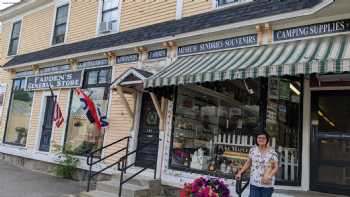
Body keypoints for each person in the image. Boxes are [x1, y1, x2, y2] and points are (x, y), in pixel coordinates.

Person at [235, 131, 279, 197]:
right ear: (256, 139)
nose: (261, 139)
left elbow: (275, 167)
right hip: (254, 182)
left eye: (263, 138)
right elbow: (248, 163)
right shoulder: (253, 150)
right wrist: (240, 172)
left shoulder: (272, 152)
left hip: (267, 183)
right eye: (259, 137)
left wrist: (269, 176)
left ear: (267, 140)